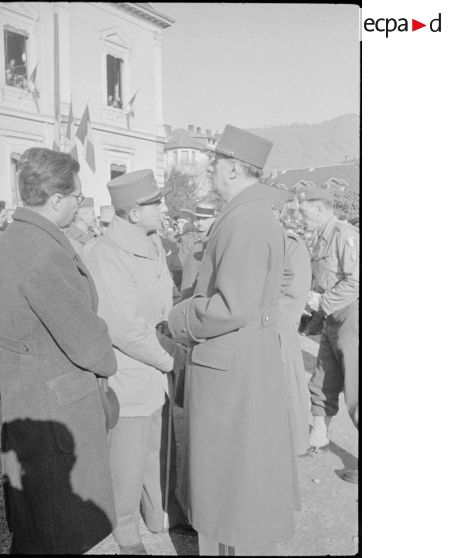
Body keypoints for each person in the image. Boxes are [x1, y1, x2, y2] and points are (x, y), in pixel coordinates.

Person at [168, 125, 299, 555]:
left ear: (229, 168)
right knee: (239, 484)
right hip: (244, 362)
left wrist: (180, 316)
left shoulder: (244, 219)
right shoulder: (253, 214)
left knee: (230, 488)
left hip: (231, 368)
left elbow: (233, 306)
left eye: (214, 165)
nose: (210, 172)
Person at [0, 147, 118, 553]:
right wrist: (107, 360)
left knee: (39, 528)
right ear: (57, 200)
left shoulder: (14, 238)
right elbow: (85, 340)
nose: (80, 203)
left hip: (30, 397)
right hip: (58, 409)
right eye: (77, 196)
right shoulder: (44, 251)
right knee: (64, 531)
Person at [86, 169, 187, 555]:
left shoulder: (153, 243)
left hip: (155, 368)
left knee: (158, 449)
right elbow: (125, 329)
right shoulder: (106, 254)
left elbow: (166, 300)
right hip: (131, 373)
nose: (161, 208)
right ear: (131, 213)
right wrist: (169, 359)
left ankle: (160, 514)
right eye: (154, 203)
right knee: (126, 460)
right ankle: (125, 528)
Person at [297, 182, 359, 484]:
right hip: (331, 319)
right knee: (321, 381)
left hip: (352, 319)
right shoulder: (320, 238)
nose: (301, 218)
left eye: (305, 213)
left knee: (358, 391)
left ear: (321, 208)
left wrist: (323, 301)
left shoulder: (344, 235)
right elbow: (325, 279)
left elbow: (356, 282)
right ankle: (319, 437)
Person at [267, 185, 312, 456]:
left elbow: (293, 295)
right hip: (259, 327)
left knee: (285, 391)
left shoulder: (291, 245)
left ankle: (288, 446)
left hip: (278, 330)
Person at [178, 202, 218, 300]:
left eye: (204, 219)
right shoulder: (188, 240)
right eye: (198, 218)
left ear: (213, 219)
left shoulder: (218, 238)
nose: (200, 222)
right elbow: (182, 268)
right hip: (191, 293)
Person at [63, 196, 98, 260]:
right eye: (92, 214)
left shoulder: (94, 235)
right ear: (83, 217)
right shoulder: (69, 237)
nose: (95, 217)